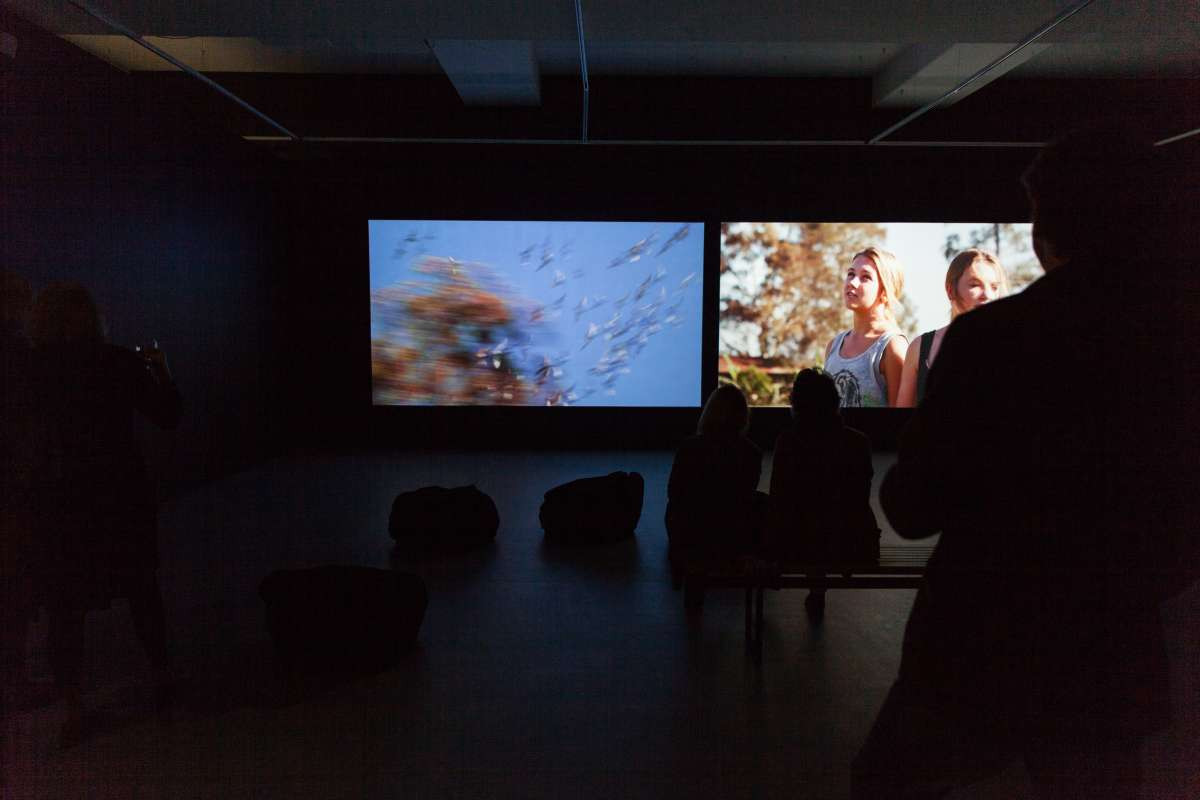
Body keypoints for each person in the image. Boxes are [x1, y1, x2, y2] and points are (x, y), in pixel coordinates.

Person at [852, 128, 1199, 798]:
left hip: (977, 643)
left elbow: (911, 507)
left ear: (1047, 230)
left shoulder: (990, 341)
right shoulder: (1175, 347)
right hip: (1108, 650)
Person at [29, 283, 182, 747]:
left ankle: (74, 708)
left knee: (64, 607)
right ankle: (162, 679)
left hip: (60, 499)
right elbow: (169, 416)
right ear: (93, 317)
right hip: (120, 494)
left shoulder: (30, 372)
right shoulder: (119, 361)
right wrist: (162, 370)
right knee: (141, 588)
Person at [766, 369, 880, 618]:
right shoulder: (858, 443)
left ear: (798, 404)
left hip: (800, 544)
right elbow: (858, 499)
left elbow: (779, 501)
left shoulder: (789, 442)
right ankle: (817, 588)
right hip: (853, 544)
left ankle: (808, 584)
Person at [665, 384, 764, 610]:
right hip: (732, 534)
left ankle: (692, 566)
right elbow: (744, 498)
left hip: (691, 532)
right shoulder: (751, 453)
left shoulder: (689, 448)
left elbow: (675, 493)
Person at [895, 249, 1007, 407]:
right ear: (950, 290)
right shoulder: (921, 348)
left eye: (994, 287)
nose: (987, 294)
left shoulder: (1010, 346)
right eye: (975, 285)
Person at [823, 247, 909, 407]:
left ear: (884, 291)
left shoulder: (892, 346)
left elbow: (900, 421)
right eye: (851, 274)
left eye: (865, 277)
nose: (852, 282)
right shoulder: (833, 346)